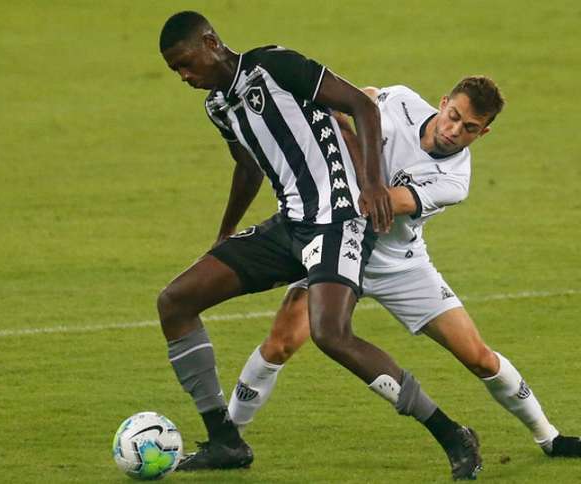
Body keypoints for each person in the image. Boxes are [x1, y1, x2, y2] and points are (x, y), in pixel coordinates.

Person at [157, 11, 482, 480]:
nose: (185, 76)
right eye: (175, 71)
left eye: (186, 63)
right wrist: (225, 233)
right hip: (292, 223)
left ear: (210, 42)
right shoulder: (218, 106)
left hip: (341, 219)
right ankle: (225, 440)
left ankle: (452, 433)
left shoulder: (274, 65)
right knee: (175, 301)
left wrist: (371, 185)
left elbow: (362, 107)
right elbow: (247, 167)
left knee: (330, 333)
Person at [227, 77, 581, 460]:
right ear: (442, 102)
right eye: (453, 116)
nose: (453, 131)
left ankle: (550, 438)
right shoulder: (403, 100)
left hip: (399, 265)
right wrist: (345, 116)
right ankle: (229, 439)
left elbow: (375, 202)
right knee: (280, 342)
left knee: (478, 356)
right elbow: (355, 100)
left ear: (484, 133)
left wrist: (342, 148)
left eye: (469, 128)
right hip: (333, 244)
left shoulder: (455, 180)